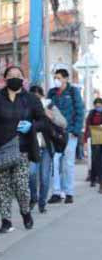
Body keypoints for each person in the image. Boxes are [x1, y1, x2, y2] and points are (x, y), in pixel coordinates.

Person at [0, 66, 44, 233]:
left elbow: (43, 121)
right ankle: (6, 220)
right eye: (11, 76)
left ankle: (25, 212)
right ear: (5, 79)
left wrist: (32, 126)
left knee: (21, 186)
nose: (14, 78)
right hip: (1, 149)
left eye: (18, 76)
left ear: (23, 79)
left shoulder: (31, 99)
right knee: (3, 187)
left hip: (22, 148)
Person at [47, 69, 85, 204]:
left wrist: (76, 130)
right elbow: (47, 110)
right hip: (55, 133)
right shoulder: (51, 93)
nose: (56, 80)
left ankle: (69, 193)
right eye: (54, 77)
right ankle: (56, 192)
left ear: (65, 78)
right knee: (55, 162)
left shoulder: (73, 92)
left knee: (67, 164)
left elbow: (80, 111)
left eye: (58, 77)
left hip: (69, 132)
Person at [28, 86, 67, 214]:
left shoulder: (50, 107)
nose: (35, 100)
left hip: (46, 147)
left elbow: (63, 123)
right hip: (32, 146)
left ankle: (42, 203)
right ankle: (33, 198)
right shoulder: (27, 107)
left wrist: (50, 116)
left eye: (37, 97)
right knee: (31, 174)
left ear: (41, 95)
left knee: (44, 177)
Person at [84, 98, 102, 192]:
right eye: (97, 106)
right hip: (96, 136)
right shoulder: (92, 113)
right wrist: (85, 140)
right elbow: (87, 126)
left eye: (100, 106)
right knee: (95, 159)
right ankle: (94, 178)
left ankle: (98, 179)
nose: (98, 108)